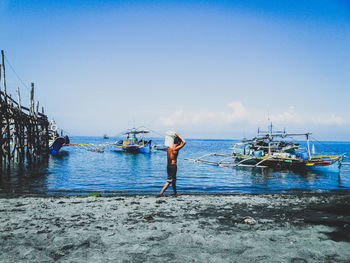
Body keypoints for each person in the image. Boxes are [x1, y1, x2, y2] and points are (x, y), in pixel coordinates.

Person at [158, 133, 186, 197]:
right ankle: (161, 193)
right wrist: (179, 136)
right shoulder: (175, 149)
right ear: (178, 142)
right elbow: (184, 142)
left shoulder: (169, 148)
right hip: (173, 166)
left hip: (168, 166)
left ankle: (175, 193)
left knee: (173, 180)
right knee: (169, 180)